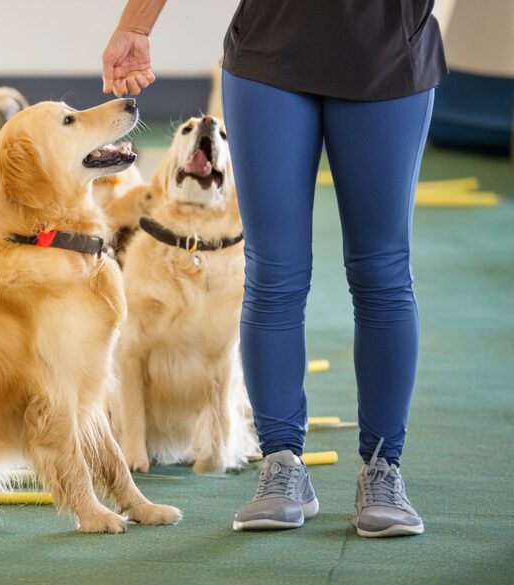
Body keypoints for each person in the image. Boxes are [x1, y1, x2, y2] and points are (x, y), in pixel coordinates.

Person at [102, 0, 446, 537]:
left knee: (382, 274)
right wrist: (136, 24)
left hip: (389, 53)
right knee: (274, 273)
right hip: (271, 52)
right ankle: (282, 465)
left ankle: (383, 468)